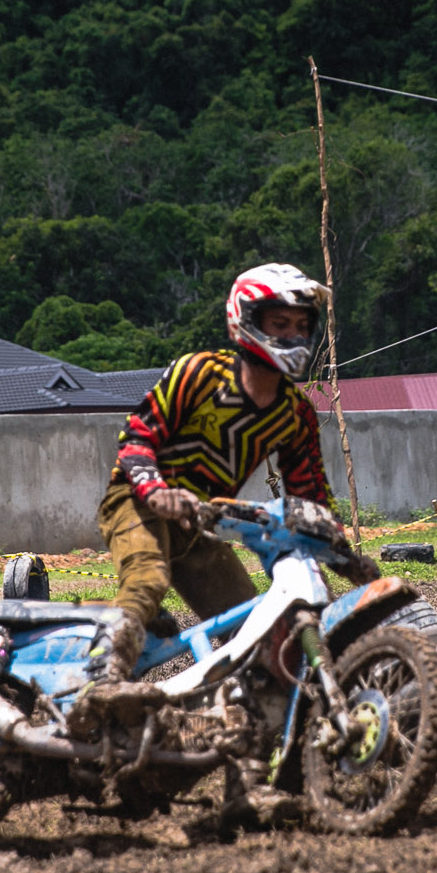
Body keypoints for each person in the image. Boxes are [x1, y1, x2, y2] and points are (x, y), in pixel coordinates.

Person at [91, 262, 335, 684]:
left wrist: (336, 545)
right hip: (133, 502)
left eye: (301, 325)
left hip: (196, 525)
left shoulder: (296, 415)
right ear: (246, 321)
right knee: (147, 580)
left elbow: (309, 496)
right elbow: (136, 438)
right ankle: (102, 682)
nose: (292, 336)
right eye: (279, 323)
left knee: (255, 626)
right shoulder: (199, 373)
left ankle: (254, 715)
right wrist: (155, 489)